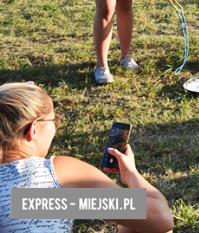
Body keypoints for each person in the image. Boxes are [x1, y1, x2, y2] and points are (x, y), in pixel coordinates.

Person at [0, 82, 174, 232]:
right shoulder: (58, 173)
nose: (56, 127)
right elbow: (161, 219)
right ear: (34, 130)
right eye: (53, 120)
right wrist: (130, 174)